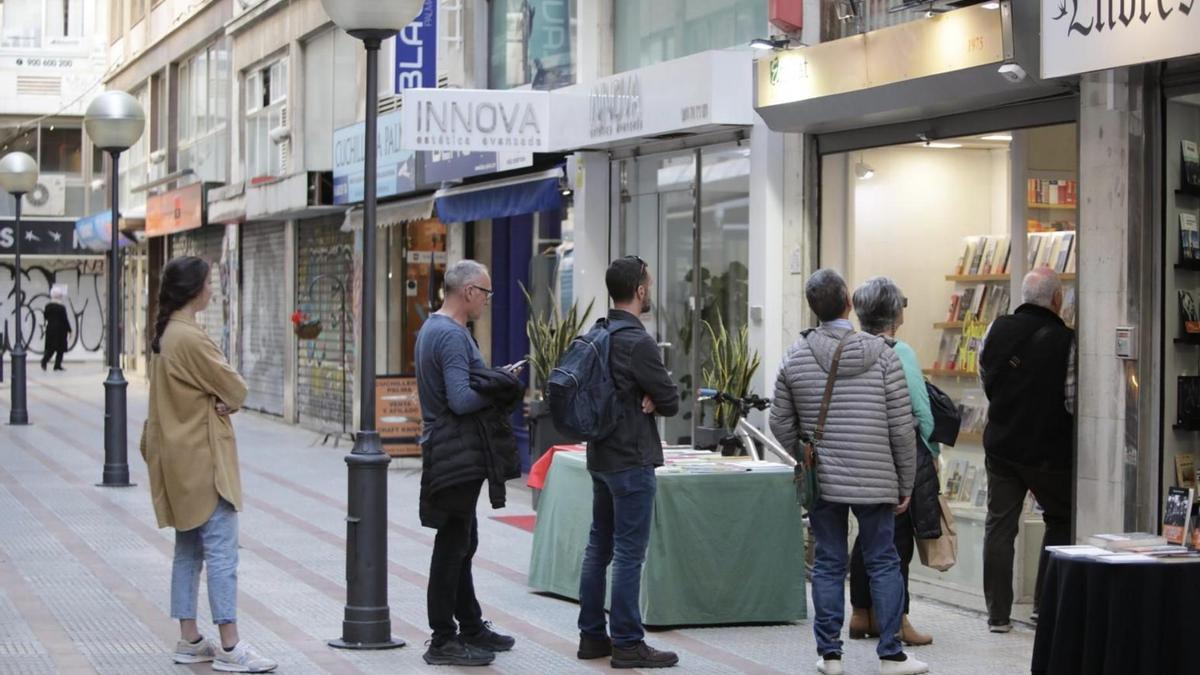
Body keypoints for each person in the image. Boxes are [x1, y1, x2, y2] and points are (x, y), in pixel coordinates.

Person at [769, 269, 927, 675]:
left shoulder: (795, 356)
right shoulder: (884, 355)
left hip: (824, 478)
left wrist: (805, 458)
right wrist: (905, 481)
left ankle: (831, 656)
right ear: (847, 303)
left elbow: (779, 422)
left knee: (828, 563)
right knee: (883, 562)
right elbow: (901, 428)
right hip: (877, 478)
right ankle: (891, 654)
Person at [139, 256, 276, 673]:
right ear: (194, 290)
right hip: (204, 461)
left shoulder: (166, 333)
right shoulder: (189, 337)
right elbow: (234, 386)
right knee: (221, 555)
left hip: (178, 461)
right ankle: (231, 647)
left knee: (188, 552)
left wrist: (215, 397)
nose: (212, 290)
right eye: (209, 283)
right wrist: (223, 400)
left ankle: (190, 638)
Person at [576, 255, 680, 669]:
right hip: (631, 460)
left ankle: (591, 636)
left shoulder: (598, 333)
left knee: (598, 546)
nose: (649, 291)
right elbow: (670, 400)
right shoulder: (638, 342)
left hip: (600, 454)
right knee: (628, 553)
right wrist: (654, 398)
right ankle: (628, 642)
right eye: (648, 285)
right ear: (639, 291)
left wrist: (653, 396)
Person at [415, 259, 519, 667]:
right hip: (454, 450)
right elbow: (460, 399)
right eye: (487, 293)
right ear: (470, 292)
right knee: (453, 543)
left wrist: (491, 376)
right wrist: (500, 387)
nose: (489, 301)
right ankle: (443, 637)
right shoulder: (452, 336)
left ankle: (470, 625)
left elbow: (457, 385)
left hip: (449, 448)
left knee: (463, 539)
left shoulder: (433, 328)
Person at [979, 267, 1074, 633]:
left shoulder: (995, 329)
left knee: (999, 527)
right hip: (1048, 452)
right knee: (1061, 519)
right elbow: (1072, 399)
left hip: (1002, 446)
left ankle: (998, 615)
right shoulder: (1067, 340)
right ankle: (1044, 607)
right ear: (1056, 299)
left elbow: (985, 376)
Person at [848, 277, 938, 647]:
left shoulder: (850, 349)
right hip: (894, 459)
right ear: (895, 314)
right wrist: (930, 451)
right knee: (898, 542)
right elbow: (921, 412)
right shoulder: (900, 352)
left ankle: (860, 614)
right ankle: (897, 619)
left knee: (865, 537)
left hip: (856, 456)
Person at [41, 286, 70, 371]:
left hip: (50, 329)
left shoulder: (48, 306)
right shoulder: (61, 307)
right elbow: (65, 319)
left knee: (50, 348)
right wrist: (70, 330)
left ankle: (44, 361)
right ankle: (57, 365)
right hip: (61, 331)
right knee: (60, 349)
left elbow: (45, 316)